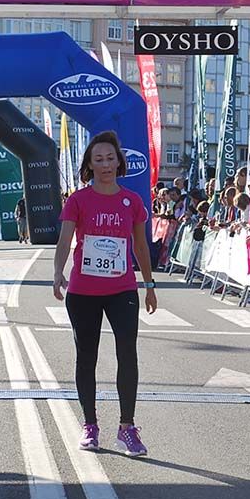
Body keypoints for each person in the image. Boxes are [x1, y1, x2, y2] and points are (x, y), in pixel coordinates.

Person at [52, 131, 157, 457]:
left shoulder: (132, 201)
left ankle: (127, 428)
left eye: (110, 158)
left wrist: (149, 285)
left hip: (122, 288)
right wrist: (58, 272)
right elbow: (65, 239)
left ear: (119, 161)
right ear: (89, 164)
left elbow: (140, 246)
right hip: (83, 291)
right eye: (98, 159)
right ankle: (90, 425)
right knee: (87, 357)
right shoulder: (78, 200)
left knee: (128, 354)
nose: (105, 165)